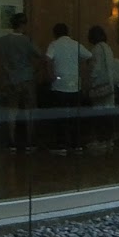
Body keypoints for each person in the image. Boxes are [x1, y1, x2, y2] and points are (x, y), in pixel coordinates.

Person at [0, 11, 40, 149]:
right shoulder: (27, 40)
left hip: (10, 78)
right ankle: (29, 141)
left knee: (11, 110)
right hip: (27, 78)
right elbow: (39, 55)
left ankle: (12, 141)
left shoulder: (3, 41)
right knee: (28, 110)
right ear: (23, 24)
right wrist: (33, 70)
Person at [41, 18, 88, 155]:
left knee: (60, 116)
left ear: (55, 34)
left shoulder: (54, 44)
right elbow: (88, 56)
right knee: (74, 117)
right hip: (75, 85)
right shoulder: (75, 44)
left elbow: (47, 59)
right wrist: (83, 75)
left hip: (59, 85)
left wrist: (50, 76)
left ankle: (61, 145)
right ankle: (76, 144)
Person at [86, 24, 119, 154]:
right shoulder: (108, 48)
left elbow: (96, 69)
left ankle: (100, 140)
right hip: (110, 85)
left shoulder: (96, 50)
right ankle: (109, 140)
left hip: (99, 85)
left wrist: (89, 81)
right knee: (109, 114)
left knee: (99, 115)